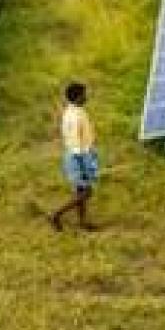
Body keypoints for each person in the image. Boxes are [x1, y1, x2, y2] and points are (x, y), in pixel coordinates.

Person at [50, 82, 100, 232]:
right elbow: (75, 144)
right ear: (78, 97)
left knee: (80, 191)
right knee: (86, 192)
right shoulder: (74, 117)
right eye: (84, 94)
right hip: (78, 157)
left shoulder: (76, 111)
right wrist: (84, 163)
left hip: (81, 154)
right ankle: (56, 215)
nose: (87, 96)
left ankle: (83, 222)